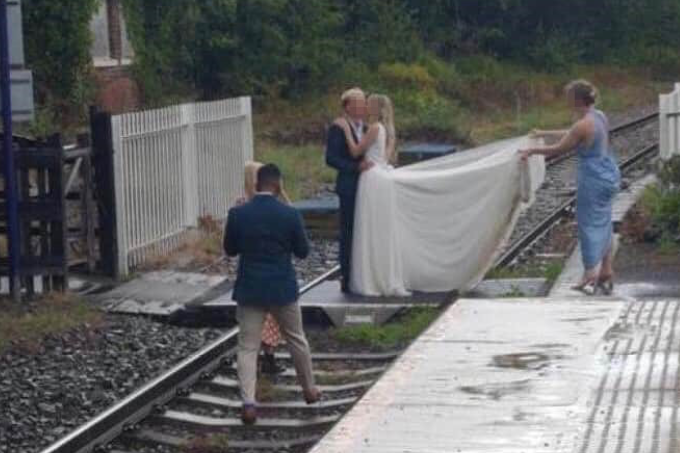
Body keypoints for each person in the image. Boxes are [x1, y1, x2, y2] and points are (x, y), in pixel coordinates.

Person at [224, 164, 321, 425]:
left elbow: (230, 249)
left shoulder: (238, 214)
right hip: (282, 288)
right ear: (278, 185)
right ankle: (309, 390)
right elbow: (302, 251)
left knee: (247, 346)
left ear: (257, 185)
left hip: (250, 288)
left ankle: (249, 404)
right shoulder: (289, 215)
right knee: (296, 339)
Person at [520, 80, 620, 295]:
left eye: (569, 97)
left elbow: (559, 148)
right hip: (609, 173)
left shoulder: (582, 125)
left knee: (588, 225)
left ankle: (589, 273)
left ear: (576, 99)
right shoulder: (599, 116)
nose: (567, 101)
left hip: (593, 179)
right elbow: (571, 133)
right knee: (603, 222)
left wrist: (532, 152)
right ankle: (606, 269)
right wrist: (544, 132)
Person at [335, 94, 409, 296]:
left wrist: (346, 131)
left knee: (368, 227)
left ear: (375, 108)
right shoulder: (383, 129)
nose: (365, 106)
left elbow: (355, 151)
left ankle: (370, 277)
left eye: (368, 104)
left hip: (371, 179)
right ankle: (380, 275)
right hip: (379, 175)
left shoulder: (375, 128)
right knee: (377, 228)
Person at [239, 161, 289, 375]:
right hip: (274, 272)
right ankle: (268, 355)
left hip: (251, 272)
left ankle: (263, 357)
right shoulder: (278, 205)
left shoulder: (241, 207)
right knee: (271, 317)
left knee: (258, 319)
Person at [325, 88, 374, 293]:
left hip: (370, 186)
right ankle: (347, 275)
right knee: (349, 230)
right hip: (350, 186)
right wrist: (354, 167)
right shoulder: (339, 128)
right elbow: (331, 158)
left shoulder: (369, 127)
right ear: (348, 106)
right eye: (358, 103)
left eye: (363, 103)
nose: (362, 107)